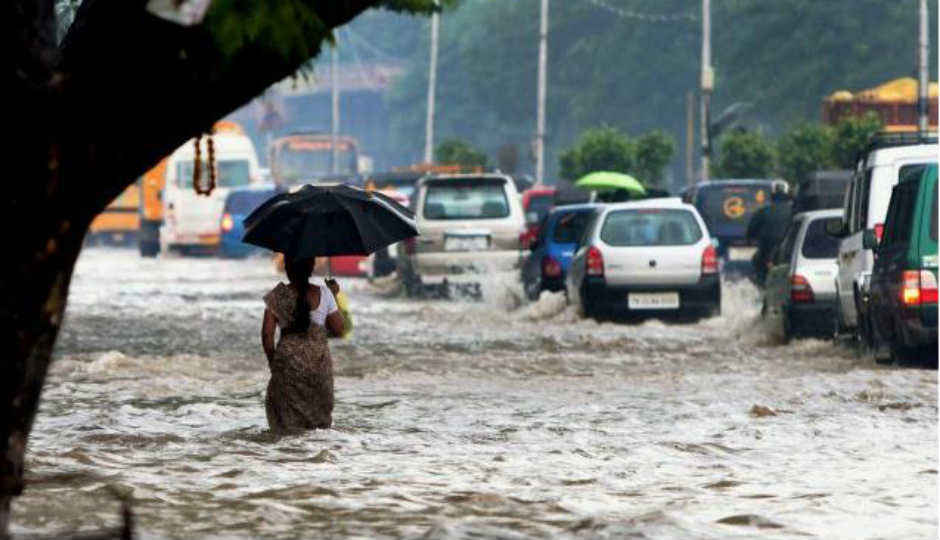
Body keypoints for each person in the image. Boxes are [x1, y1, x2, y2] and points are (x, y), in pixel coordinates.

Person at [261, 256, 346, 432]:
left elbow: (267, 335)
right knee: (318, 426)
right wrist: (335, 296)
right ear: (312, 268)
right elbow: (339, 330)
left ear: (287, 269)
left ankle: (288, 456)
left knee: (286, 426)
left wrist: (273, 363)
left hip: (287, 365)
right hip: (318, 365)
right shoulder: (325, 293)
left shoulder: (276, 296)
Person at [747, 184, 793, 285]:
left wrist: (751, 239)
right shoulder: (795, 212)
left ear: (772, 196)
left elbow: (751, 232)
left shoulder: (763, 212)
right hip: (788, 252)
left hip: (768, 253)